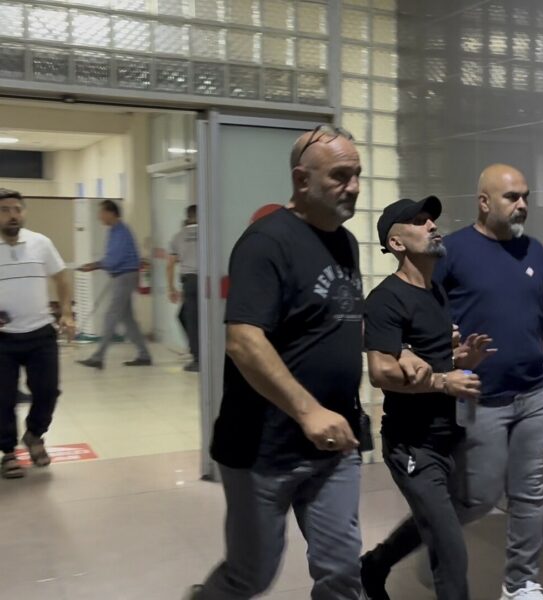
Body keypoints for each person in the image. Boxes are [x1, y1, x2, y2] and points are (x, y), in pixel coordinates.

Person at [358, 164, 543, 599]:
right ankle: (394, 554)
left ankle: (521, 583)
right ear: (484, 202)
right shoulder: (444, 257)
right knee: (472, 501)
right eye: (511, 196)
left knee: (528, 493)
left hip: (522, 397)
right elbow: (390, 331)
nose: (522, 204)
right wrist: (416, 359)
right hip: (471, 405)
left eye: (525, 195)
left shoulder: (531, 254)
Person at [187, 125, 368, 600]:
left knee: (342, 567)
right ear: (301, 180)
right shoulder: (265, 243)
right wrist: (309, 411)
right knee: (252, 574)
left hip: (334, 443)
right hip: (264, 448)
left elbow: (333, 323)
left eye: (357, 175)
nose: (353, 186)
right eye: (340, 175)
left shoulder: (346, 243)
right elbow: (244, 341)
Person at [360, 196, 494, 600]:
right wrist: (442, 382)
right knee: (451, 552)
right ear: (396, 242)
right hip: (413, 445)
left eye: (431, 219)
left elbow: (431, 357)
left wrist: (460, 359)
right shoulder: (385, 299)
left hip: (449, 434)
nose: (432, 225)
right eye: (419, 221)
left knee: (433, 523)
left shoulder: (435, 292)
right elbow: (381, 371)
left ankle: (375, 564)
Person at [0, 188, 75, 479]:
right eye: (5, 210)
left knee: (48, 391)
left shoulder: (40, 243)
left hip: (40, 332)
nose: (13, 215)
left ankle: (34, 435)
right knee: (3, 398)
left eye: (17, 209)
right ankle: (8, 451)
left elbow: (61, 277)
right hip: (3, 338)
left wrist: (66, 313)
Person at [77, 199, 152, 369]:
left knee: (110, 316)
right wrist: (95, 265)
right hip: (122, 276)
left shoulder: (121, 232)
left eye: (102, 212)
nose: (99, 216)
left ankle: (98, 357)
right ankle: (144, 355)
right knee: (128, 319)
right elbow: (112, 258)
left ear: (111, 213)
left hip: (125, 276)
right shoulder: (114, 231)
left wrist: (95, 265)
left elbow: (114, 259)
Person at [168, 204, 199, 372]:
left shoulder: (178, 236)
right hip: (207, 282)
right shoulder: (208, 232)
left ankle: (198, 358)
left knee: (190, 319)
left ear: (187, 216)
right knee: (189, 317)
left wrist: (171, 288)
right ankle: (200, 350)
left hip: (190, 282)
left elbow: (170, 264)